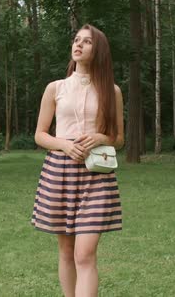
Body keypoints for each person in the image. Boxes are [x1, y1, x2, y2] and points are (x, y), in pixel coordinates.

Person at [31, 24, 124, 297]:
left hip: (97, 174)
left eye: (87, 42)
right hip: (59, 172)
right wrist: (64, 146)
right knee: (66, 251)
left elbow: (119, 138)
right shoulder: (55, 88)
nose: (79, 45)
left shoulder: (112, 91)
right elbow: (40, 134)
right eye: (76, 40)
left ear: (99, 51)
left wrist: (101, 138)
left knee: (85, 254)